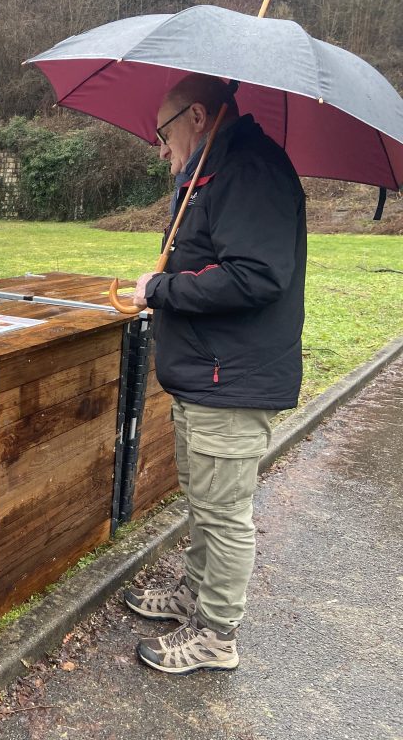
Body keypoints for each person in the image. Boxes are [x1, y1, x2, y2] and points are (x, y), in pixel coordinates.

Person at [125, 73, 307, 674]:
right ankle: (195, 595)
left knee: (224, 512)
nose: (160, 148)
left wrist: (161, 288)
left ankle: (216, 635)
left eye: (163, 133)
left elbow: (255, 275)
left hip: (231, 379)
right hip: (207, 374)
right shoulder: (213, 170)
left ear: (198, 117)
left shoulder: (250, 170)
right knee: (204, 501)